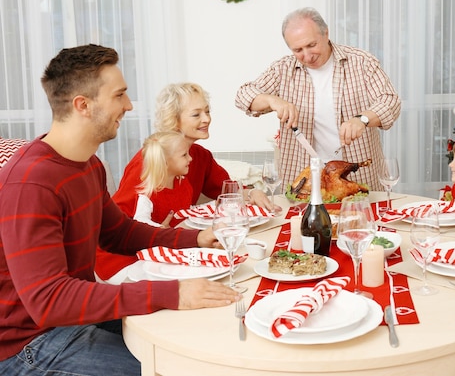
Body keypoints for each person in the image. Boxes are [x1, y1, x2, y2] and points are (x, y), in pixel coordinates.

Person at [0, 44, 241, 376]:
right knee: (178, 368)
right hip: (31, 342)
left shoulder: (87, 164)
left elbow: (119, 233)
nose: (129, 106)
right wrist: (172, 291)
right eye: (120, 96)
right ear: (83, 105)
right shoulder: (30, 183)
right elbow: (49, 300)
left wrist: (196, 238)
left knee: (207, 330)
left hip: (72, 317)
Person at [96, 82, 274, 282]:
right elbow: (118, 228)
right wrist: (155, 234)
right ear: (175, 121)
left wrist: (251, 193)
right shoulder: (149, 162)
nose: (207, 119)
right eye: (196, 114)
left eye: (207, 111)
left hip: (168, 249)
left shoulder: (198, 155)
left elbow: (225, 190)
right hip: (127, 260)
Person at [235, 7, 401, 191]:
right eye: (298, 49)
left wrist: (362, 119)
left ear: (326, 33)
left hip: (358, 175)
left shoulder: (361, 62)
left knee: (358, 219)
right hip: (303, 179)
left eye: (311, 45)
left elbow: (390, 101)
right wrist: (272, 100)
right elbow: (243, 96)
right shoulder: (283, 69)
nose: (306, 56)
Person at [132, 131, 193, 228]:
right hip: (158, 241)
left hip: (182, 239)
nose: (190, 158)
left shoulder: (184, 183)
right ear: (165, 162)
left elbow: (186, 212)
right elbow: (140, 220)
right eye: (184, 155)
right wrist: (161, 229)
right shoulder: (148, 193)